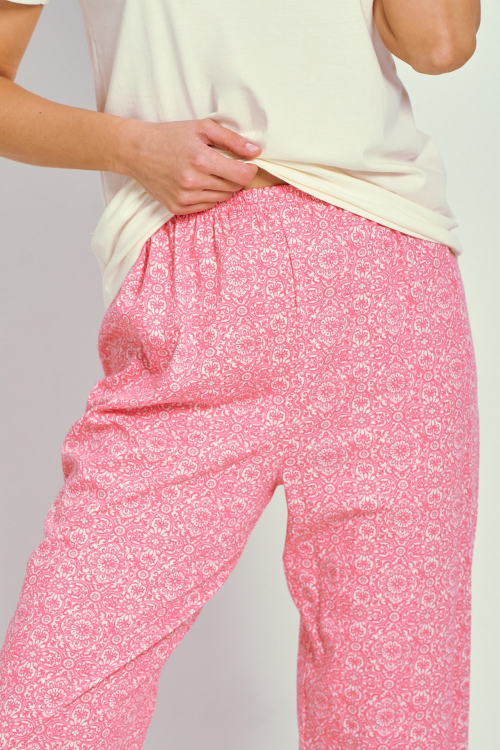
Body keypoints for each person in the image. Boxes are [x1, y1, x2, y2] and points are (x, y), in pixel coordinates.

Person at [0, 0, 481, 748]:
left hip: (388, 288)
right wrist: (131, 146)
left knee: (396, 723)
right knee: (48, 707)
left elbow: (443, 43)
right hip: (193, 288)